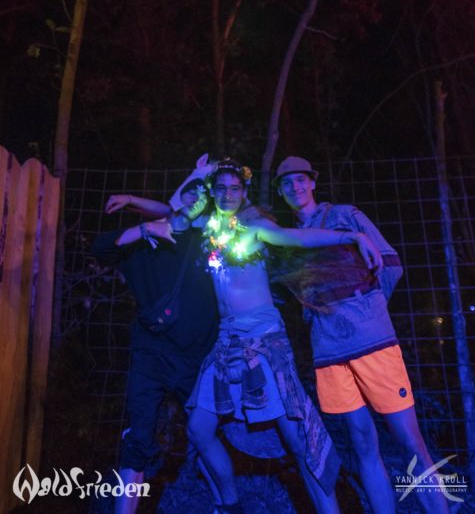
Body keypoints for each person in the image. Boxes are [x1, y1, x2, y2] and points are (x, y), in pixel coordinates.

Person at [179, 158, 383, 514]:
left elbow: (298, 238)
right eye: (221, 188)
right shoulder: (209, 229)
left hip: (264, 340)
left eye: (234, 189)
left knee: (298, 438)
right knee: (198, 428)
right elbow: (173, 214)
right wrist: (196, 175)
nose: (227, 195)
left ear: (244, 191)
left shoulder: (255, 228)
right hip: (227, 341)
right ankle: (231, 505)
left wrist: (351, 235)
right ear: (213, 192)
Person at [272, 156, 449, 514]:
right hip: (329, 353)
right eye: (287, 182)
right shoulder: (286, 241)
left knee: (410, 441)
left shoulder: (345, 216)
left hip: (373, 343)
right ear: (280, 191)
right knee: (362, 443)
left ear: (313, 182)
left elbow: (390, 263)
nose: (295, 187)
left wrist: (365, 308)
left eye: (301, 179)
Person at [91, 178, 219, 514]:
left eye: (203, 196)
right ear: (178, 192)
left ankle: (225, 505)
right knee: (139, 436)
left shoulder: (210, 241)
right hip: (150, 356)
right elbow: (101, 248)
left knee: (209, 435)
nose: (196, 198)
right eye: (191, 190)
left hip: (196, 358)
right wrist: (146, 228)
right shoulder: (144, 240)